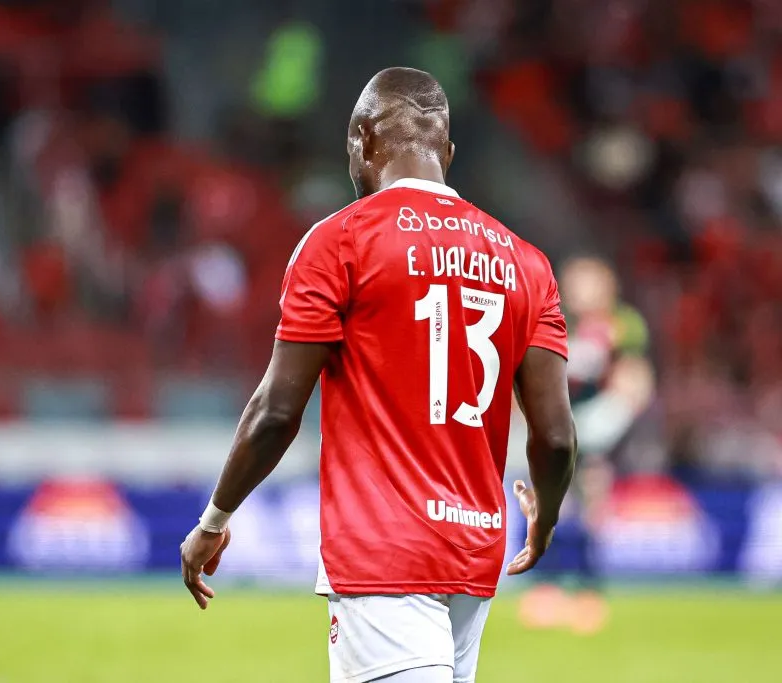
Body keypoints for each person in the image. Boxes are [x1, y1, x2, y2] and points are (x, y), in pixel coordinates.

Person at [180, 67, 577, 683]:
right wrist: (545, 517)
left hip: (383, 552)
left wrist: (214, 521)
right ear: (445, 152)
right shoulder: (527, 263)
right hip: (475, 554)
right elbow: (555, 436)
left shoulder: (339, 241)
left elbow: (276, 410)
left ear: (362, 140)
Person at [518, 256, 653, 634]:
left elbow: (635, 380)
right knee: (547, 508)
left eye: (589, 281)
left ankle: (588, 593)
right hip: (556, 430)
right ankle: (545, 588)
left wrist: (604, 423)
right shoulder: (555, 319)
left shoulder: (624, 325)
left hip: (596, 433)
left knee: (590, 509)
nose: (580, 289)